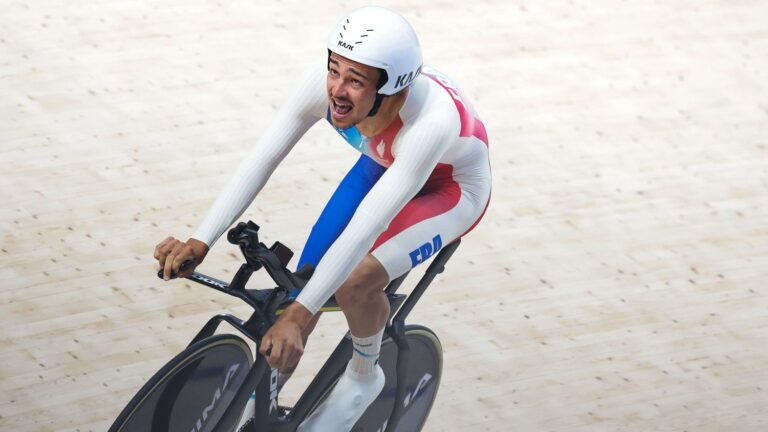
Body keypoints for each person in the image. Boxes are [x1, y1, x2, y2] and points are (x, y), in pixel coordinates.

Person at [153, 6, 490, 431]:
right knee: (301, 285)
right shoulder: (324, 84)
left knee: (352, 283)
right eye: (335, 70)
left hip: (450, 188)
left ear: (393, 90)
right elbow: (263, 158)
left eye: (355, 80)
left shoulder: (429, 124)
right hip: (384, 164)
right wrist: (201, 239)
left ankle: (366, 373)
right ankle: (264, 406)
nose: (337, 89)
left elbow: (367, 225)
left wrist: (302, 312)